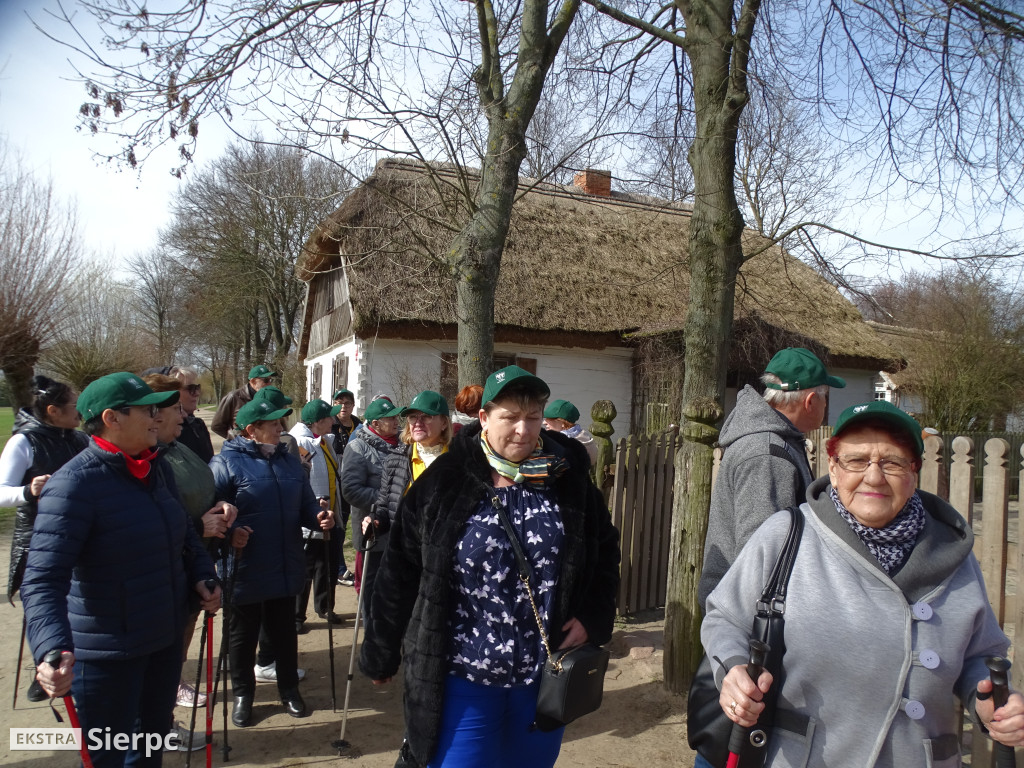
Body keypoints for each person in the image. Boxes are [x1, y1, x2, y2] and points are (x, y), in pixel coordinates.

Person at [701, 400, 1024, 768]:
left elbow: (981, 654)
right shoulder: (788, 535)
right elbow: (724, 618)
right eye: (856, 461)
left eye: (892, 462)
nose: (874, 476)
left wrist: (987, 700)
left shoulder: (953, 553)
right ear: (834, 469)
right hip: (806, 758)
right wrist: (732, 670)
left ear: (913, 472)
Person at [360, 366, 620, 768]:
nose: (523, 430)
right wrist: (380, 651)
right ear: (483, 418)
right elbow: (399, 571)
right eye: (510, 417)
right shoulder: (444, 482)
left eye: (532, 417)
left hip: (541, 675)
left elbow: (604, 551)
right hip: (464, 676)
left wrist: (593, 616)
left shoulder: (568, 480)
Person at [21, 372, 220, 768]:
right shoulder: (72, 486)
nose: (157, 417)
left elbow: (183, 534)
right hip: (107, 656)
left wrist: (202, 574)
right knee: (107, 756)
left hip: (161, 642)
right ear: (112, 419)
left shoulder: (156, 467)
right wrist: (50, 648)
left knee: (148, 748)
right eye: (147, 410)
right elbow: (43, 579)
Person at [210, 398, 335, 727]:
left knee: (283, 632)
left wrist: (319, 516)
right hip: (244, 564)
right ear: (252, 430)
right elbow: (212, 515)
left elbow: (306, 504)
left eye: (282, 422)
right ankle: (243, 694)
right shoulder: (224, 464)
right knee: (242, 634)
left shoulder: (291, 462)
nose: (281, 428)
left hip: (285, 560)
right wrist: (231, 531)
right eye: (274, 424)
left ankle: (289, 689)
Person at [698, 347, 845, 611]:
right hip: (751, 618)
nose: (826, 406)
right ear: (810, 401)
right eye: (826, 398)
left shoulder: (775, 441)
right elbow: (763, 555)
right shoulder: (766, 453)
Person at [142, 373, 237, 712]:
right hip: (172, 564)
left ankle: (171, 685)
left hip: (196, 558)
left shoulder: (177, 447)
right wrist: (199, 526)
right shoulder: (148, 460)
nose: (183, 415)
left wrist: (223, 504)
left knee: (184, 628)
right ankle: (163, 701)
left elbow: (205, 485)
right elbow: (155, 520)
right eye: (174, 409)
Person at [2, 375, 89, 703]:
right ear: (53, 411)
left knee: (77, 601)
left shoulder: (79, 439)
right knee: (45, 603)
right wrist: (28, 490)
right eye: (73, 406)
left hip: (81, 531)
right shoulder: (24, 442)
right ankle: (46, 665)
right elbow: (1, 491)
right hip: (37, 534)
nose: (79, 411)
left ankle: (76, 661)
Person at [362, 390, 452, 622]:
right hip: (403, 557)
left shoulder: (458, 462)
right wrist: (375, 521)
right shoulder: (396, 459)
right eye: (412, 417)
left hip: (443, 562)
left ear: (444, 422)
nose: (417, 423)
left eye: (426, 416)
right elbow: (384, 506)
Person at [289, 399, 344, 629]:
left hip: (330, 515)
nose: (333, 421)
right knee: (307, 568)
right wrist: (312, 503)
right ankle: (297, 616)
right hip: (311, 519)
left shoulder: (323, 441)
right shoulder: (301, 443)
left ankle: (325, 606)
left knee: (328, 565)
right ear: (318, 422)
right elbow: (299, 479)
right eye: (328, 418)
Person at [339, 397, 402, 595]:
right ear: (375, 424)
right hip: (373, 530)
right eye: (390, 418)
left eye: (396, 417)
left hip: (398, 530)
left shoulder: (402, 444)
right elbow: (351, 490)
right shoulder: (357, 447)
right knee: (372, 587)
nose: (396, 421)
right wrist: (389, 499)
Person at [211, 363, 276, 439]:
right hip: (242, 448)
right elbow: (216, 426)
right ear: (253, 382)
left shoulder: (268, 398)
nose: (269, 384)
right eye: (266, 380)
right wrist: (236, 440)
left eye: (271, 380)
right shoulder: (234, 397)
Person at [173, 367, 214, 463]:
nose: (197, 393)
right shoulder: (166, 430)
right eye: (190, 388)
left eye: (197, 388)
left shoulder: (198, 424)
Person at [542, 398, 598, 465]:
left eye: (549, 419)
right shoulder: (582, 436)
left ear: (563, 422)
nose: (544, 422)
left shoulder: (566, 445)